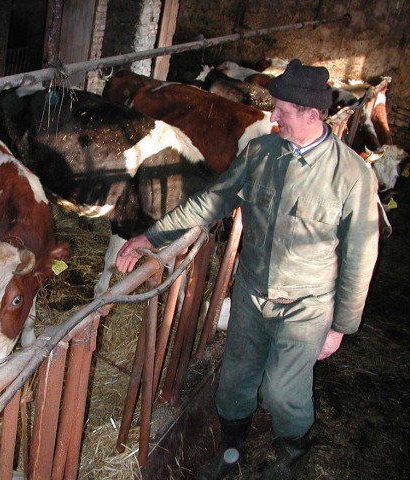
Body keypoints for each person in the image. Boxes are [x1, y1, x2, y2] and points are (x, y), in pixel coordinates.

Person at [116, 59, 380, 480]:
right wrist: (152, 236)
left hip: (306, 305)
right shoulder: (261, 152)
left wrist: (341, 326)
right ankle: (230, 453)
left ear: (313, 115)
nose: (272, 117)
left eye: (282, 111)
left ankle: (294, 450)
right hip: (252, 294)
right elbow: (213, 200)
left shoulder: (352, 176)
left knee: (281, 393)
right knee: (234, 384)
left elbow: (359, 257)